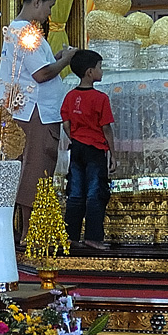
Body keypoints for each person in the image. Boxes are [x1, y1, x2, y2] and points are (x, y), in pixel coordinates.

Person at [0, 0, 77, 239]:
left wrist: (54, 59)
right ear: (36, 2)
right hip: (35, 113)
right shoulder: (25, 33)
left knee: (33, 169)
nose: (49, 14)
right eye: (49, 7)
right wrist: (65, 60)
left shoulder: (23, 32)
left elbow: (39, 67)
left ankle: (26, 233)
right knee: (35, 169)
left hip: (30, 111)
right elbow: (41, 75)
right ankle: (28, 234)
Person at [61, 49, 116, 249]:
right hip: (95, 150)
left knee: (75, 192)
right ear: (90, 72)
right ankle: (93, 237)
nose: (102, 71)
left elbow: (66, 124)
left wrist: (76, 138)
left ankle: (71, 236)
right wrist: (113, 154)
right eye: (100, 67)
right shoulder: (100, 98)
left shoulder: (70, 96)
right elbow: (106, 128)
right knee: (95, 192)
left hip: (76, 148)